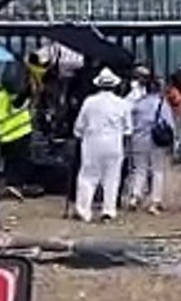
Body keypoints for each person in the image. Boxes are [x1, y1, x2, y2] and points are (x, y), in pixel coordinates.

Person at [72, 68, 132, 223]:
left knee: (88, 177)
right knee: (112, 178)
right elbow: (128, 130)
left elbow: (79, 127)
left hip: (93, 143)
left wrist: (78, 135)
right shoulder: (122, 104)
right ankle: (108, 211)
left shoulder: (89, 102)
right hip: (114, 144)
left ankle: (84, 210)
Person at [128, 77, 175, 213]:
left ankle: (135, 196)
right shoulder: (162, 104)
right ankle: (155, 201)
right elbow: (170, 124)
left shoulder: (138, 103)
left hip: (138, 139)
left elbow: (131, 122)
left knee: (140, 169)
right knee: (157, 170)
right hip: (156, 140)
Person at [0, 77, 34, 190]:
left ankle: (10, 183)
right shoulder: (17, 94)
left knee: (10, 161)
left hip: (5, 135)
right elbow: (19, 104)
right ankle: (16, 185)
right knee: (20, 161)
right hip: (21, 131)